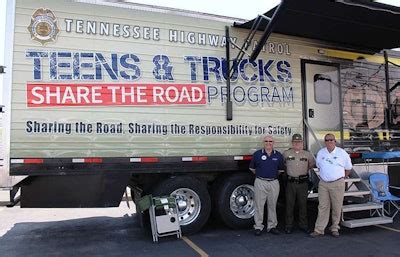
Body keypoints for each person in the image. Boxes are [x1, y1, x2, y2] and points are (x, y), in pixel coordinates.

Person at [310, 133, 352, 238]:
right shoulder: (321, 153)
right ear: (324, 142)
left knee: (336, 207)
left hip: (337, 183)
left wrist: (341, 178)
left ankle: (334, 228)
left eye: (331, 140)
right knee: (322, 207)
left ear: (335, 141)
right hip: (324, 183)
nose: (329, 142)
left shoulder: (342, 153)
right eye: (327, 140)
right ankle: (319, 229)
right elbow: (319, 167)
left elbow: (348, 168)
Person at [249, 135, 284, 236]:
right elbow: (252, 169)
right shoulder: (257, 154)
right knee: (259, 205)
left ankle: (272, 226)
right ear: (263, 143)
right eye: (266, 141)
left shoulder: (278, 155)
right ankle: (258, 227)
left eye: (270, 141)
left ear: (273, 143)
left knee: (272, 205)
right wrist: (262, 175)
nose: (268, 143)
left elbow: (280, 170)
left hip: (273, 182)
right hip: (260, 182)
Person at [283, 134, 315, 234]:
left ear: (302, 143)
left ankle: (303, 225)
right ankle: (289, 225)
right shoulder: (286, 153)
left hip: (302, 183)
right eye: (295, 142)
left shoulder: (307, 154)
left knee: (303, 205)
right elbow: (283, 164)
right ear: (292, 143)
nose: (297, 143)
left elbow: (311, 165)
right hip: (290, 183)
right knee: (289, 205)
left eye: (299, 142)